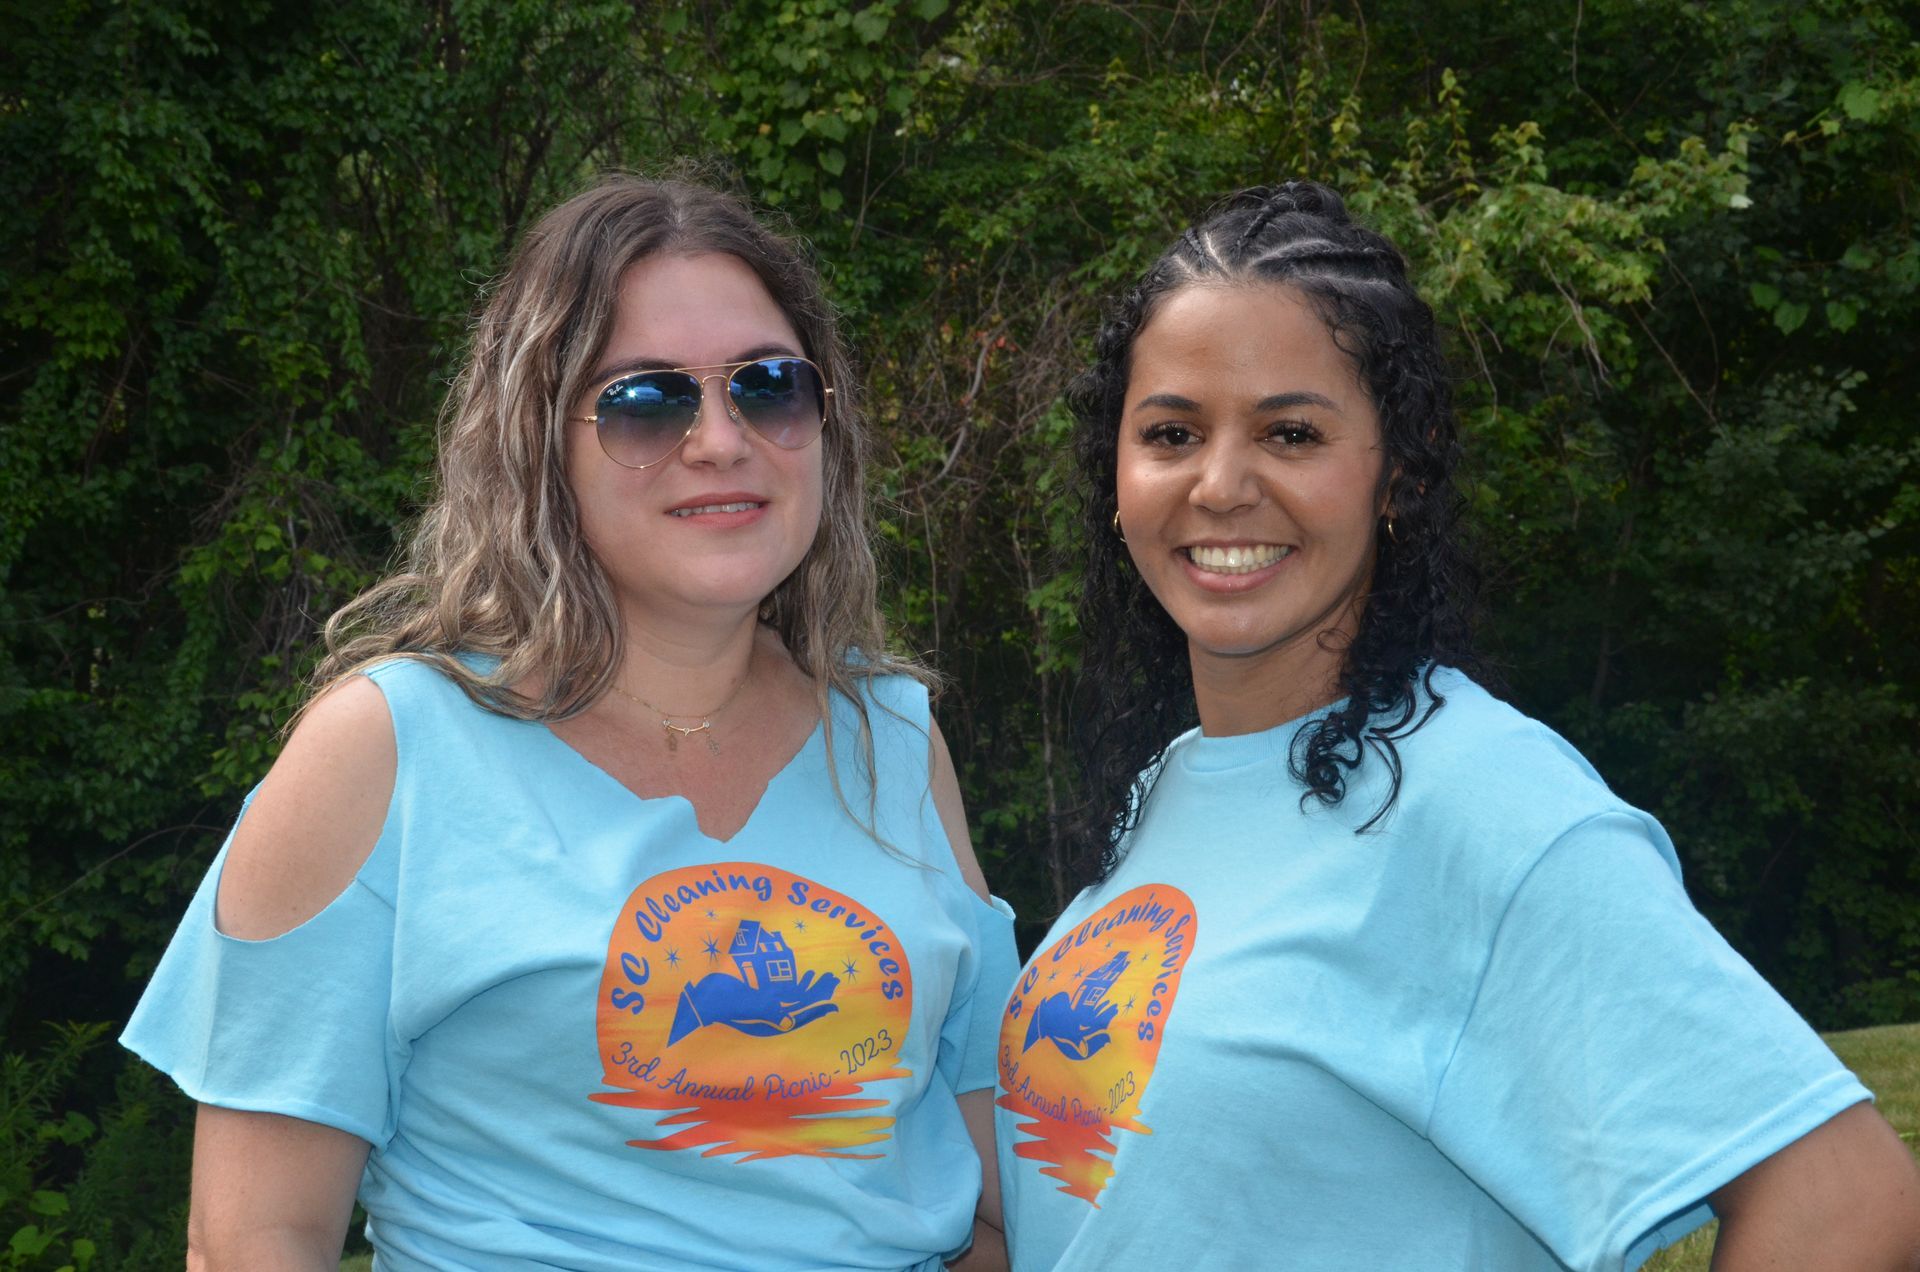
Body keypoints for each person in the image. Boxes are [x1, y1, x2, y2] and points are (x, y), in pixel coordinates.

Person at [991, 181, 1920, 1270]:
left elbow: (1847, 1199)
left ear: (1403, 466)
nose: (1221, 483)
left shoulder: (1481, 796)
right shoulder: (1170, 790)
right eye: (1171, 432)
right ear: (1116, 473)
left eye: (1291, 432)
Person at [123, 174, 1017, 1271]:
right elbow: (253, 1240)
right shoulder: (387, 749)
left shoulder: (895, 740)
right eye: (650, 401)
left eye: (770, 388)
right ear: (538, 440)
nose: (722, 440)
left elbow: (998, 1201)